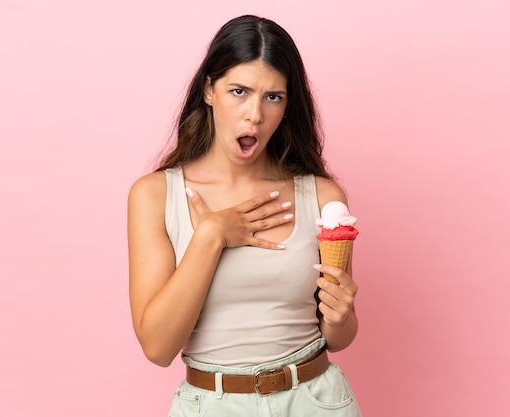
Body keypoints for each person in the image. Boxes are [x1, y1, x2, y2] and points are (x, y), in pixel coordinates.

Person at [127, 15, 362, 416]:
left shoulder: (322, 197)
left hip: (315, 401)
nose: (255, 115)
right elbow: (157, 347)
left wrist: (342, 317)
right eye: (239, 91)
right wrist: (212, 235)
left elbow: (338, 337)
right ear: (209, 90)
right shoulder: (154, 195)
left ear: (288, 105)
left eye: (273, 97)